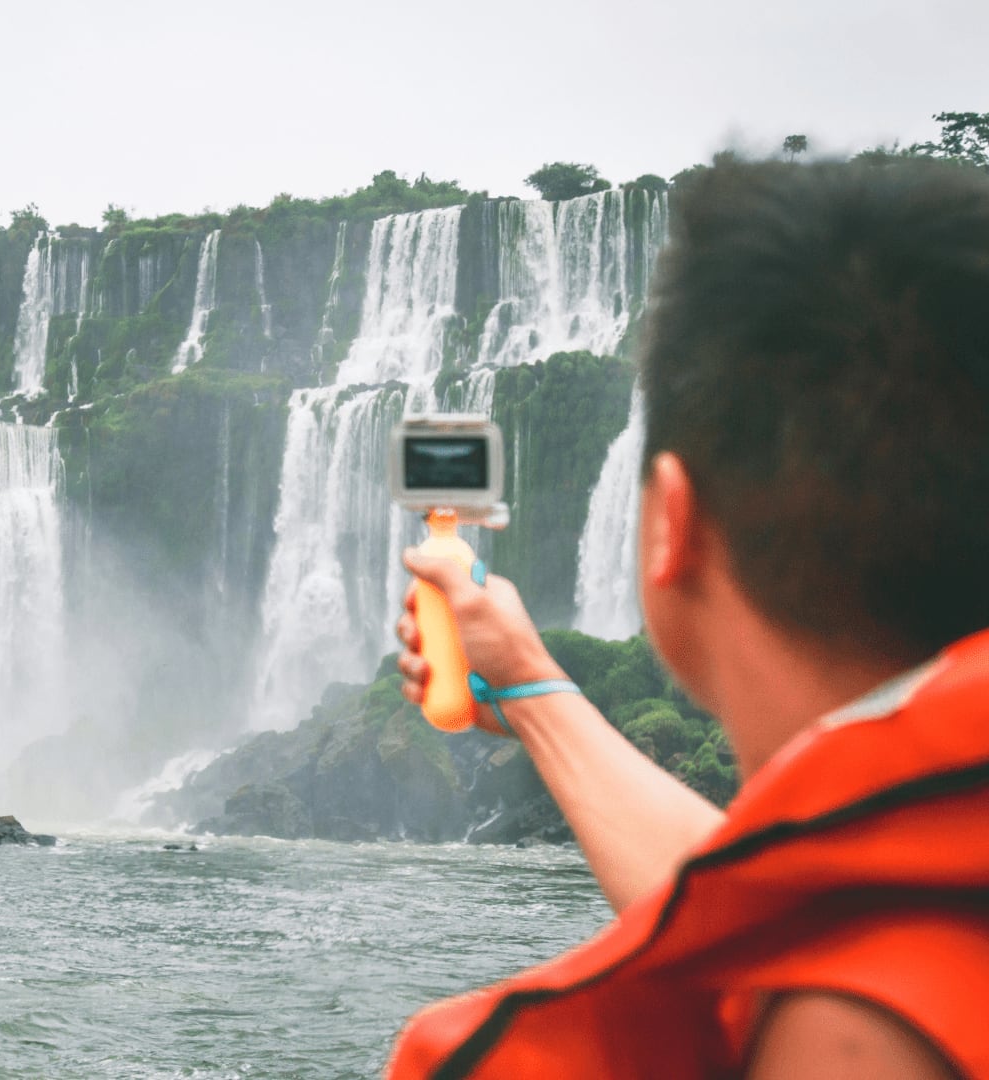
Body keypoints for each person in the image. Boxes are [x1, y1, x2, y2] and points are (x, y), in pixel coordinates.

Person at [386, 158, 989, 1079]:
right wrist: (530, 685)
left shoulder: (851, 1038)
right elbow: (769, 910)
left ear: (673, 522)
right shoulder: (931, 877)